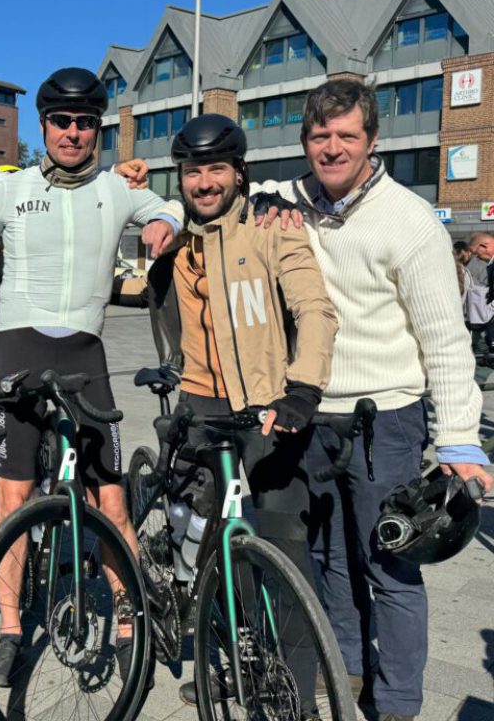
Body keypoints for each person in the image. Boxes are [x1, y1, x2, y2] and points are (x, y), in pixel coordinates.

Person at [254, 78, 492, 721]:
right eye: (320, 135)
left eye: (346, 136)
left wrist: (460, 439)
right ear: (304, 140)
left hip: (383, 416)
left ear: (372, 141)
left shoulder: (408, 220)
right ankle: (349, 670)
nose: (332, 147)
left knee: (390, 562)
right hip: (312, 415)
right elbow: (214, 193)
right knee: (330, 555)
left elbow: (444, 339)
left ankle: (396, 704)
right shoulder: (285, 204)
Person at [0, 67, 182, 685]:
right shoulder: (10, 191)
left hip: (86, 354)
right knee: (12, 500)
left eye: (84, 123)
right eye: (61, 122)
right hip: (19, 348)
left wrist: (162, 222)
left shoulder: (117, 189)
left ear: (98, 131)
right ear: (44, 127)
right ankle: (11, 629)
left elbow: (171, 204)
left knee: (111, 500)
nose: (72, 132)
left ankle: (125, 622)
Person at [148, 114, 338, 710]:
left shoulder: (272, 227)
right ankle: (228, 654)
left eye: (216, 170)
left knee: (280, 565)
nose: (204, 182)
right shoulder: (178, 240)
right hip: (198, 408)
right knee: (207, 540)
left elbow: (315, 309)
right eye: (192, 171)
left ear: (239, 172)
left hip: (263, 414)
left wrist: (302, 389)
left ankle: (295, 698)